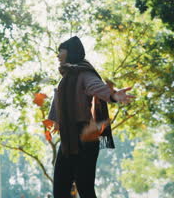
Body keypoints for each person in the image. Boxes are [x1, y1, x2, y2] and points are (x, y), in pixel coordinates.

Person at [48, 36, 134, 198]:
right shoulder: (67, 77)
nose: (58, 55)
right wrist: (57, 122)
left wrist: (114, 96)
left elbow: (96, 87)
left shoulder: (83, 73)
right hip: (70, 136)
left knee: (83, 187)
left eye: (61, 51)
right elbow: (60, 99)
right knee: (62, 188)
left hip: (84, 135)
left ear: (70, 52)